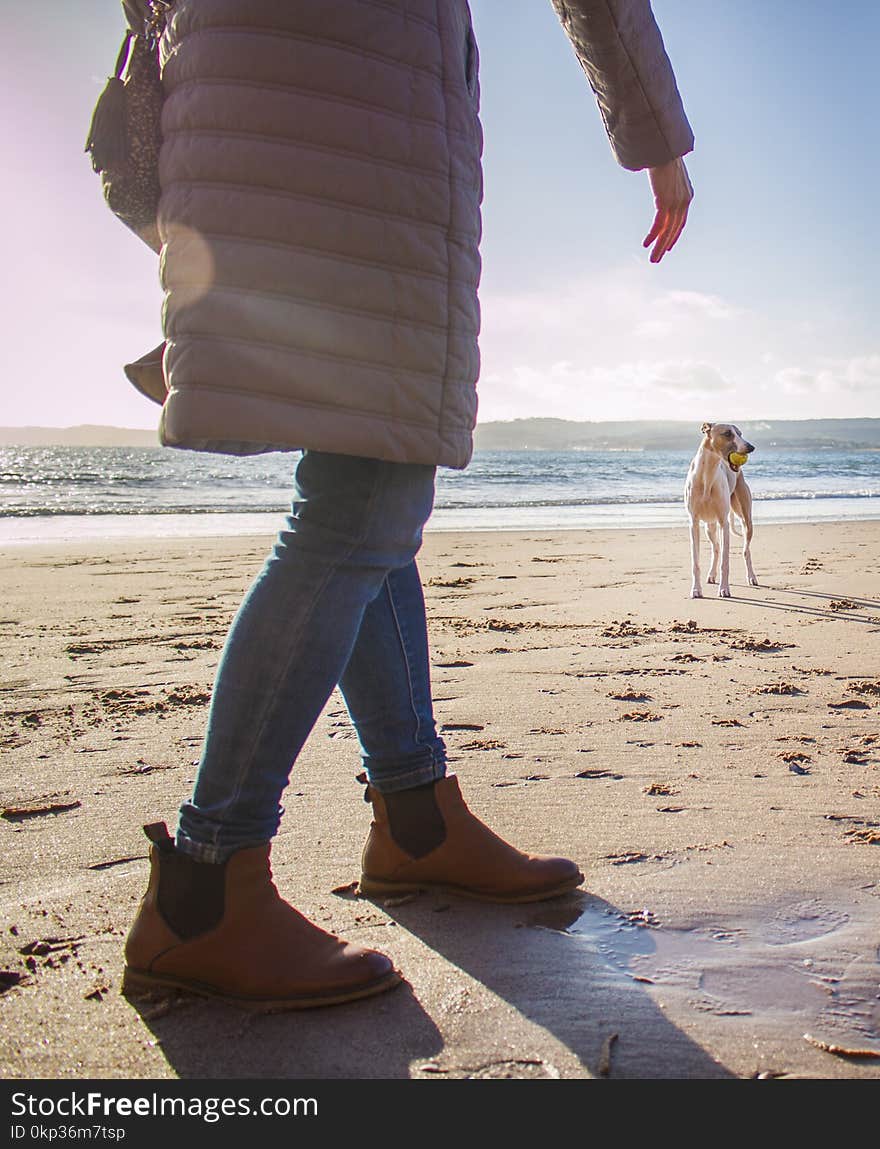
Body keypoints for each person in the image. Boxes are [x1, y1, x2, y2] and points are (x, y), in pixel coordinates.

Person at [120, 0, 694, 1010]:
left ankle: (415, 818)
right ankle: (205, 888)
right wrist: (657, 144)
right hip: (353, 94)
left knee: (368, 476)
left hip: (267, 84)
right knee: (363, 501)